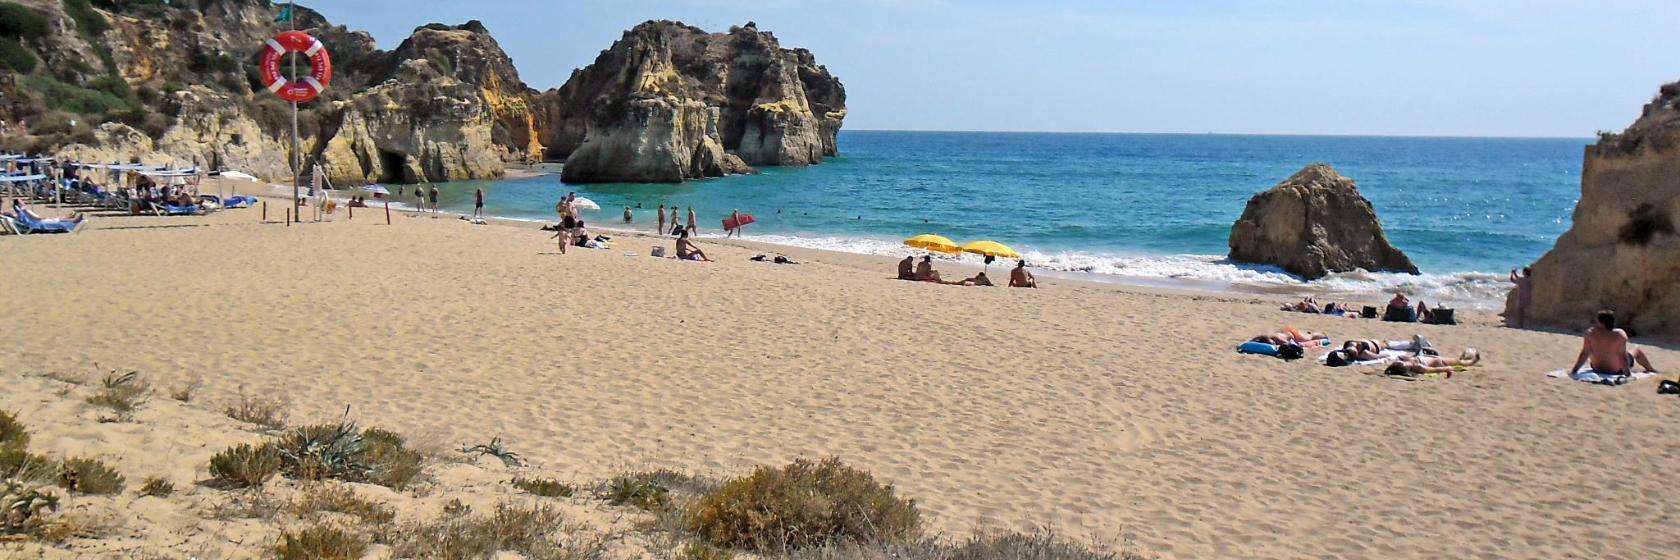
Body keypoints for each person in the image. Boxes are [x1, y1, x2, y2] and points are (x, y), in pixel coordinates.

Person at [1568, 309, 1660, 375]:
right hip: (1615, 370)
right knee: (1636, 348)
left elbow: (1585, 353)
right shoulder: (1619, 334)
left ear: (1601, 323)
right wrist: (1627, 374)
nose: (1595, 322)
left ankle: (1651, 369)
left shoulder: (1590, 333)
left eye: (1597, 321)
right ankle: (1651, 369)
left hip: (1596, 368)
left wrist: (1574, 370)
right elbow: (1622, 356)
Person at [1384, 349, 1481, 377]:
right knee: (1461, 363)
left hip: (1432, 359)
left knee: (1459, 361)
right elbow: (1435, 369)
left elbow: (1393, 366)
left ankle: (1466, 358)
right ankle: (1473, 360)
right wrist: (1447, 370)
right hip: (1439, 362)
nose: (1403, 362)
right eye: (1405, 364)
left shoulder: (1405, 362)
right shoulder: (1419, 367)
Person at [1250, 327, 1326, 346]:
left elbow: (1291, 344)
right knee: (1307, 336)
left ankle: (1323, 335)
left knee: (1310, 338)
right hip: (1285, 331)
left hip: (1293, 334)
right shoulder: (1266, 336)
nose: (1272, 344)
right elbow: (1256, 338)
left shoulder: (1279, 339)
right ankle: (1307, 333)